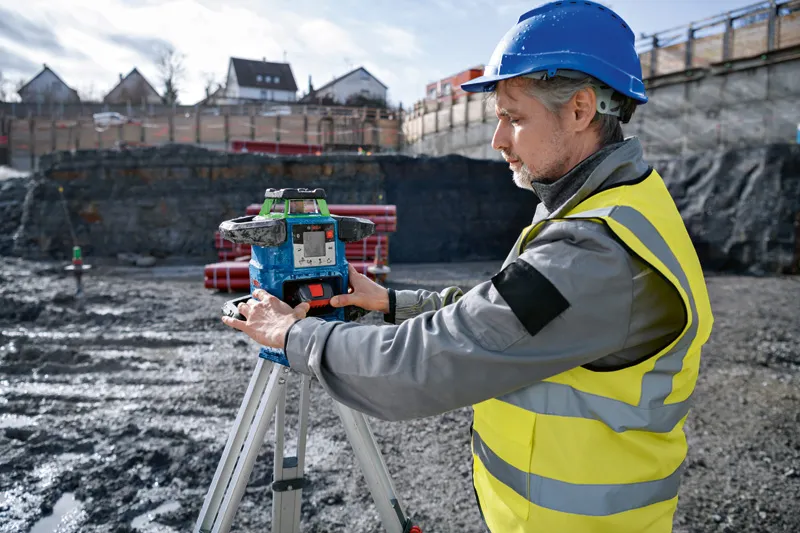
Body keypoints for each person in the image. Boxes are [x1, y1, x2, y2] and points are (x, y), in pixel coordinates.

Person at [223, 2, 715, 531]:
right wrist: (392, 303)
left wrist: (292, 336)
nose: (498, 140)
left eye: (514, 118)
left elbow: (422, 365)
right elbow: (510, 315)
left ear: (580, 109)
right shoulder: (615, 207)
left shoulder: (594, 251)